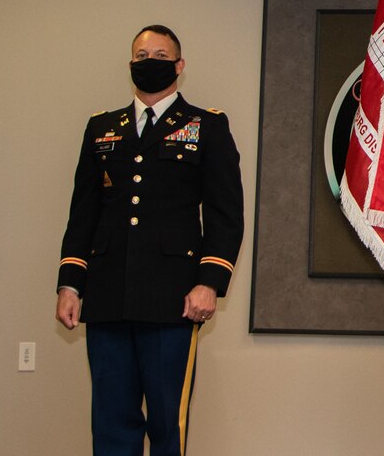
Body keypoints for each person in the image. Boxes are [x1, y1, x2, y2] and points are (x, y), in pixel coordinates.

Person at [55, 25, 243, 456]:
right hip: (107, 298)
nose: (149, 62)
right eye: (141, 56)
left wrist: (209, 282)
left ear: (179, 66)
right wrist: (70, 285)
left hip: (172, 301)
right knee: (111, 421)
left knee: (166, 424)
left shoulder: (206, 126)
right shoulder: (102, 128)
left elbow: (225, 213)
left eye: (160, 55)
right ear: (129, 66)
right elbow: (83, 213)